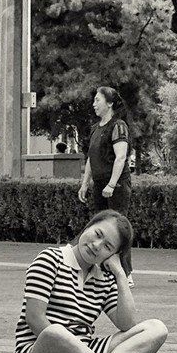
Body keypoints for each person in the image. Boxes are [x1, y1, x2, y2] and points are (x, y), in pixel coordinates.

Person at [12, 210, 169, 353]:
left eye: (107, 246)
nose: (96, 245)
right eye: (97, 234)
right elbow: (34, 318)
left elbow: (128, 324)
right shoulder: (50, 259)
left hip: (85, 351)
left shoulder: (104, 278)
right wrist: (73, 350)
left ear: (113, 255)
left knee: (156, 328)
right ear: (88, 227)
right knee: (55, 332)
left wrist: (120, 274)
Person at [79, 86, 134, 282]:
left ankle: (125, 273)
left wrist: (111, 184)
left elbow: (120, 157)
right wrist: (85, 183)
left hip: (116, 185)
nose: (94, 104)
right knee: (99, 228)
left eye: (97, 100)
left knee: (117, 229)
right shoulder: (95, 128)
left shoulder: (118, 126)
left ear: (109, 103)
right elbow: (91, 158)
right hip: (99, 183)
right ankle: (102, 270)